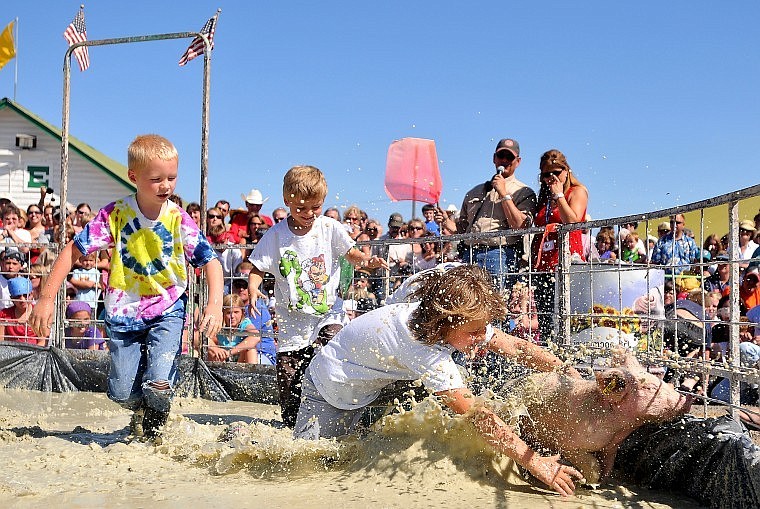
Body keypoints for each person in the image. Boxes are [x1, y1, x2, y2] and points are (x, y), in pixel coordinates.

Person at [294, 264, 583, 497]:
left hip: (377, 382)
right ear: (446, 322)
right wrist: (537, 462)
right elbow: (477, 414)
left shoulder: (451, 315)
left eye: (483, 329)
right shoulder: (421, 349)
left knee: (361, 449)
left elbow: (516, 347)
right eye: (473, 332)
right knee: (309, 465)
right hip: (331, 387)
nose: (480, 339)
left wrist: (563, 369)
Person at [29, 134, 224, 440]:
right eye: (156, 179)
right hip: (123, 312)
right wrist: (46, 298)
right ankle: (143, 412)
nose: (166, 186)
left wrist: (214, 305)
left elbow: (211, 261)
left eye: (172, 178)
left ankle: (157, 421)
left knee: (158, 382)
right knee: (120, 393)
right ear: (133, 177)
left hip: (168, 307)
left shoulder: (178, 218)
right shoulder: (115, 215)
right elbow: (71, 251)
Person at [246, 164, 388, 427]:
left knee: (334, 344)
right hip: (292, 321)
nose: (309, 214)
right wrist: (253, 288)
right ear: (287, 201)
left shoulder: (329, 228)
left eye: (315, 207)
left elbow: (351, 253)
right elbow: (257, 268)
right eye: (301, 208)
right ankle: (291, 424)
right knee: (289, 374)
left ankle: (347, 409)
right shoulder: (276, 235)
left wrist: (368, 263)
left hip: (327, 313)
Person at [440, 138, 537, 288]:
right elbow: (462, 229)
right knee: (467, 305)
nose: (504, 160)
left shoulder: (524, 192)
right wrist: (446, 221)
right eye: (501, 156)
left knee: (495, 305)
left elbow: (520, 226)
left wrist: (504, 194)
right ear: (494, 158)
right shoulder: (474, 192)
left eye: (509, 157)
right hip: (469, 254)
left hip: (500, 255)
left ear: (518, 161)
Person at [531, 149, 588, 341]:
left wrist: (559, 196)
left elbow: (573, 222)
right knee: (546, 323)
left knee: (566, 321)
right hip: (543, 268)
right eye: (546, 174)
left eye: (556, 172)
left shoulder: (576, 192)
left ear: (566, 170)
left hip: (566, 264)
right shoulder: (544, 199)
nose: (551, 177)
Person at [208, 293, 267, 363]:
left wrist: (230, 352)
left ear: (242, 313)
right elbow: (202, 337)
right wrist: (215, 349)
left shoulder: (244, 323)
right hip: (221, 359)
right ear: (223, 313)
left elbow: (256, 336)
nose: (232, 316)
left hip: (239, 359)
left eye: (236, 312)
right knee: (210, 350)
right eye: (228, 312)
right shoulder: (219, 323)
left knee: (251, 349)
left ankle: (252, 373)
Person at [0, 277, 44, 345]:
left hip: (35, 352)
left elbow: (42, 342)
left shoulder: (39, 313)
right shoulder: (4, 314)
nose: (22, 300)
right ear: (12, 298)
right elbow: (1, 341)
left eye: (25, 295)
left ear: (31, 294)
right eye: (17, 296)